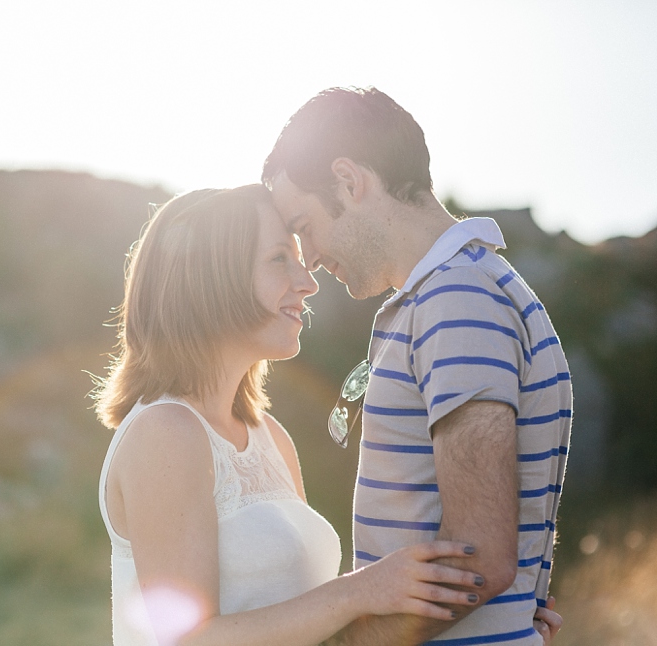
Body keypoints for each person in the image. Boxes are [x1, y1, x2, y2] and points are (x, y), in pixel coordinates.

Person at [93, 185, 490, 646]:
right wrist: (357, 591)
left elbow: (307, 624)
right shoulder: (164, 432)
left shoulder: (270, 437)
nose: (308, 281)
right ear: (212, 277)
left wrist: (476, 620)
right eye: (280, 258)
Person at [262, 86, 570, 646]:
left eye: (304, 226)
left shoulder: (457, 301)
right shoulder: (455, 293)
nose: (309, 259)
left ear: (350, 182)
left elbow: (479, 560)